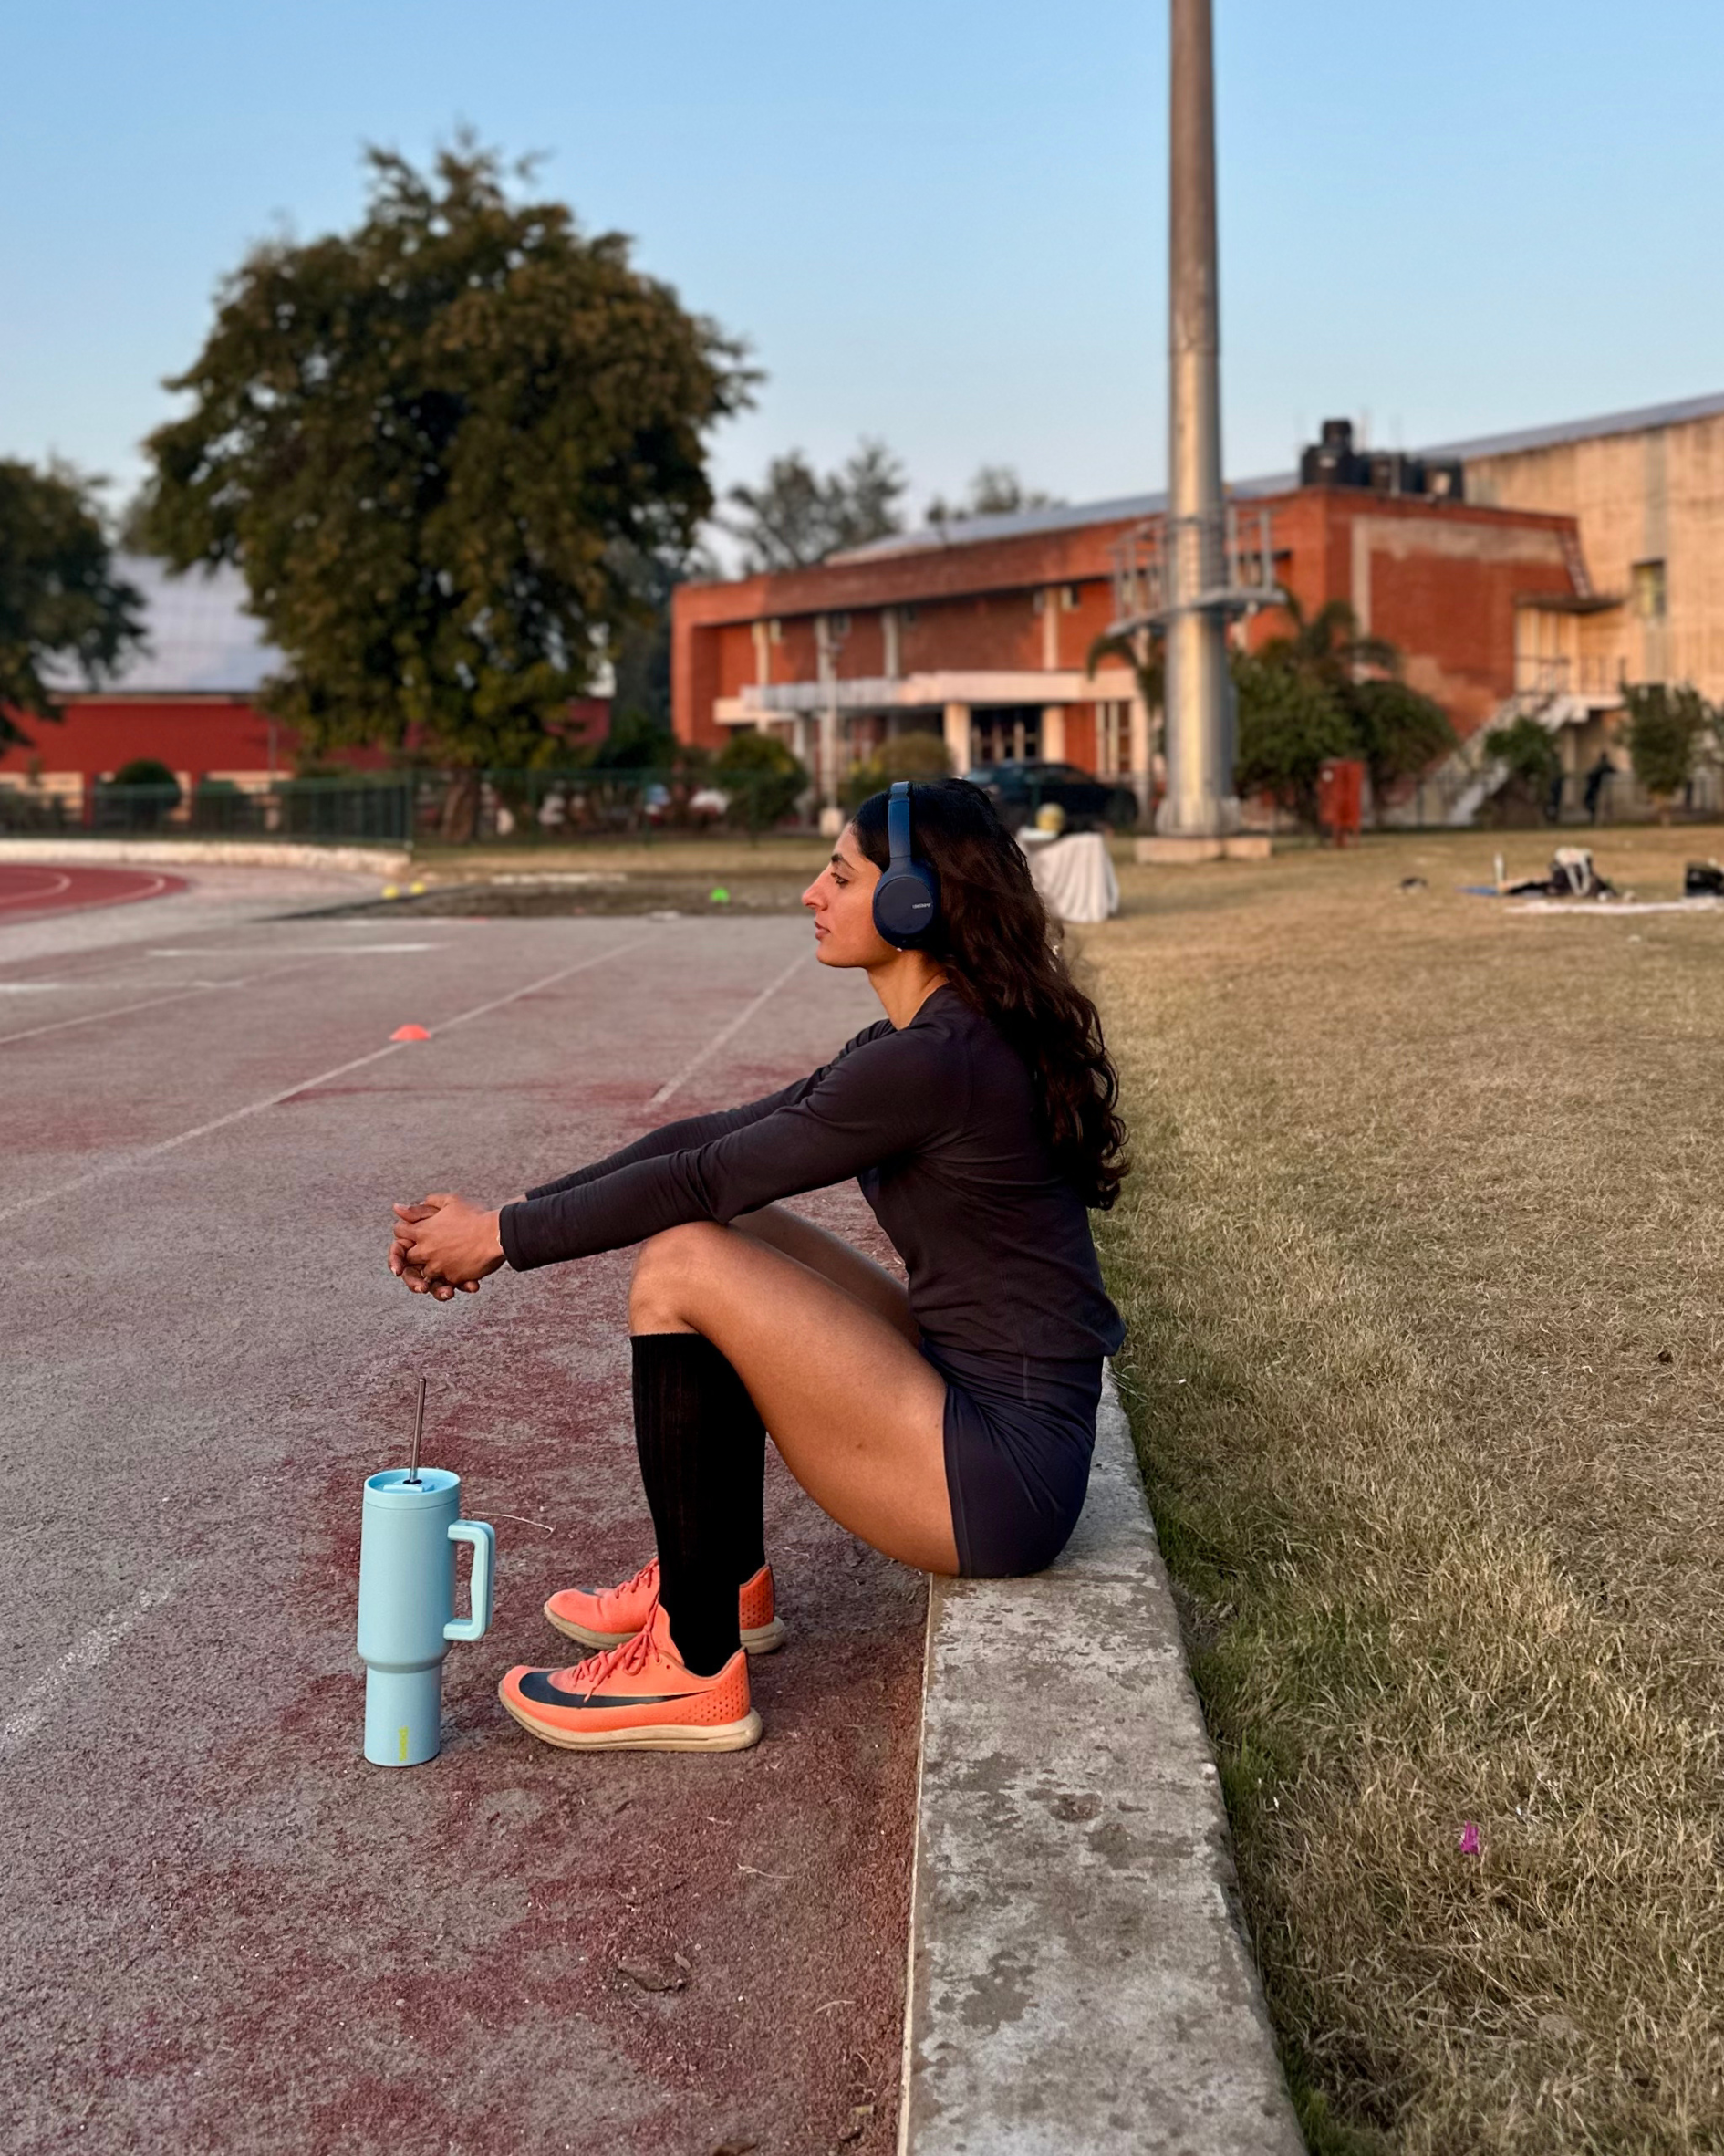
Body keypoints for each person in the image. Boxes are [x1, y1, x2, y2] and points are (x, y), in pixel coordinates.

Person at [388, 778, 1127, 1755]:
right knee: (742, 1231)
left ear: (917, 902)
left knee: (684, 1263)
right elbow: (706, 1138)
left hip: (999, 1481)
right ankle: (722, 1578)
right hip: (990, 1417)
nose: (812, 893)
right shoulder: (924, 1040)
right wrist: (506, 1216)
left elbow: (699, 1174)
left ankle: (692, 1668)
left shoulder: (932, 1060)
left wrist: (497, 1241)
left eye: (840, 872)